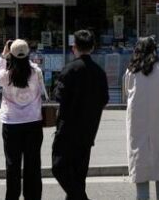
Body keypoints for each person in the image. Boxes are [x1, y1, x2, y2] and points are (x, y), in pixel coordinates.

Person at [51, 29, 109, 200]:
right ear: (92, 47)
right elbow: (104, 99)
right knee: (78, 174)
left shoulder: (70, 69)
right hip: (89, 130)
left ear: (74, 47)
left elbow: (59, 95)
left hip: (68, 129)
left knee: (59, 167)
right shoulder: (99, 72)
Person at [123, 36, 159, 200]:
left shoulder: (131, 71)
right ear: (155, 50)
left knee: (141, 173)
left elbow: (126, 93)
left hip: (137, 126)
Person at [0, 38, 46, 200]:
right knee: (33, 163)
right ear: (28, 53)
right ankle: (33, 196)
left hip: (11, 122)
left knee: (12, 164)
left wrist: (3, 57)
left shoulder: (7, 75)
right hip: (33, 121)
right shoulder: (36, 71)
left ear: (12, 55)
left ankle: (12, 197)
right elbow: (44, 93)